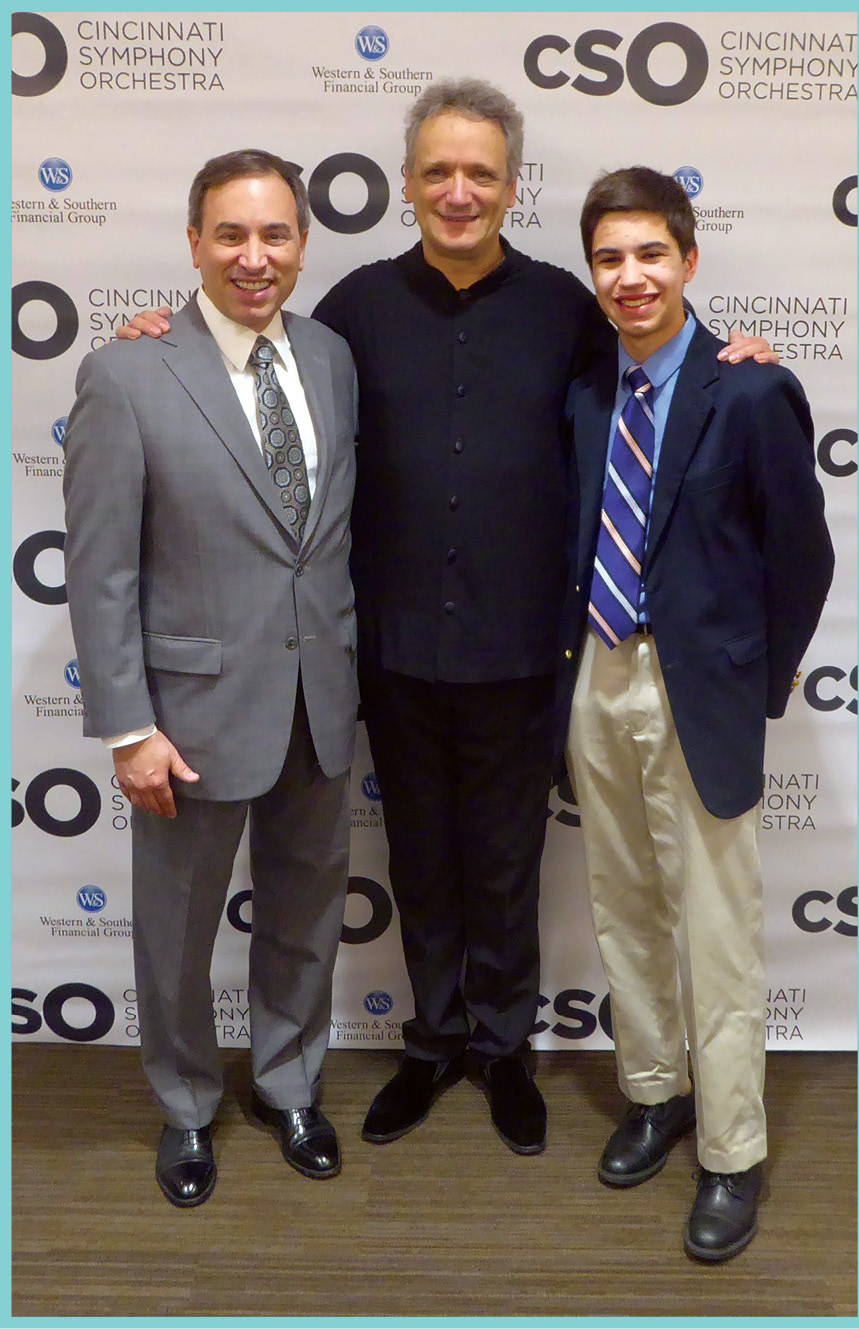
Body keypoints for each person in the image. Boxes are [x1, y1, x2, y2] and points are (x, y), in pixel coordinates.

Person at [115, 81, 772, 1158]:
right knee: (418, 860)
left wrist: (733, 352)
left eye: (479, 173)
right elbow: (254, 380)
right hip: (390, 652)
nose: (457, 192)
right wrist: (158, 333)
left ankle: (503, 1049)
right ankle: (434, 1044)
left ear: (511, 185)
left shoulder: (568, 306)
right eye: (436, 172)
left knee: (509, 862)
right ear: (406, 183)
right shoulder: (352, 315)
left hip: (529, 652)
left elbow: (661, 377)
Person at [63, 149, 359, 1207]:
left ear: (300, 244)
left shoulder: (328, 357)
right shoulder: (127, 372)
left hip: (319, 703)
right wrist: (126, 727)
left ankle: (288, 1084)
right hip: (184, 718)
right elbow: (101, 572)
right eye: (229, 235)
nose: (253, 256)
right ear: (192, 242)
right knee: (175, 930)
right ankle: (187, 1107)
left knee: (304, 914)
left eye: (274, 234)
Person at [559, 166, 834, 1259]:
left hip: (698, 691)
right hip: (594, 671)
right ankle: (652, 1091)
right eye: (608, 259)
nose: (629, 278)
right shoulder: (586, 393)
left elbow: (801, 563)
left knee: (716, 933)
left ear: (686, 259)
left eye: (648, 255)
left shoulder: (750, 390)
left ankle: (730, 1152)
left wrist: (748, 688)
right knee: (622, 906)